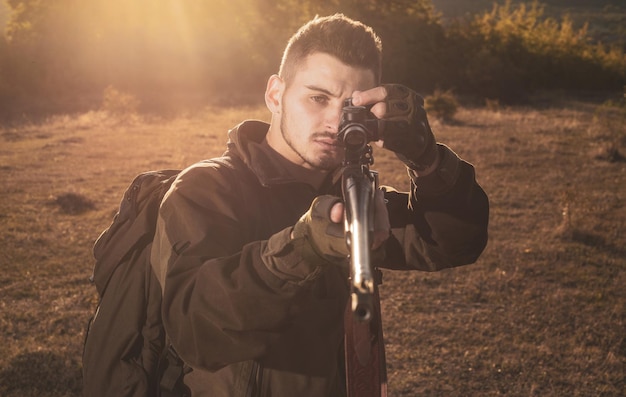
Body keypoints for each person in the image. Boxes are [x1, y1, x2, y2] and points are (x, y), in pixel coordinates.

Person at [150, 13, 489, 396]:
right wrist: (302, 247)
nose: (333, 122)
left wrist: (427, 157)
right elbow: (197, 333)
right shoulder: (206, 189)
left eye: (350, 108)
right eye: (317, 97)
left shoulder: (353, 193)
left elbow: (453, 242)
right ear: (275, 94)